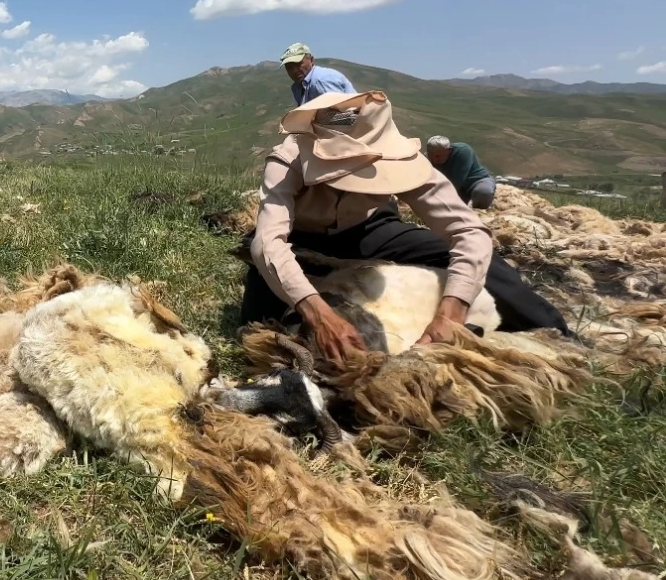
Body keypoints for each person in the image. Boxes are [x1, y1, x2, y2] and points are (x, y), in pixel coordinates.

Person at [238, 90, 570, 364]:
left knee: (492, 270)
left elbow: (468, 231)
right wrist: (318, 312)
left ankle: (561, 339)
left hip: (372, 229)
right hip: (301, 237)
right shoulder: (288, 159)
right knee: (258, 326)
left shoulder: (400, 156)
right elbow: (269, 243)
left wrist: (453, 309)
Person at [425, 136, 496, 209]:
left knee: (483, 192)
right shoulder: (426, 159)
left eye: (438, 156)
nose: (434, 160)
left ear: (449, 151)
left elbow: (457, 181)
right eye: (431, 156)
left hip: (475, 181)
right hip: (454, 187)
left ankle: (480, 209)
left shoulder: (463, 151)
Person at [281, 42, 355, 106]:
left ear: (311, 60)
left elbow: (341, 111)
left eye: (298, 64)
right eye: (289, 67)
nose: (294, 71)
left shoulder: (321, 80)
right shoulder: (298, 87)